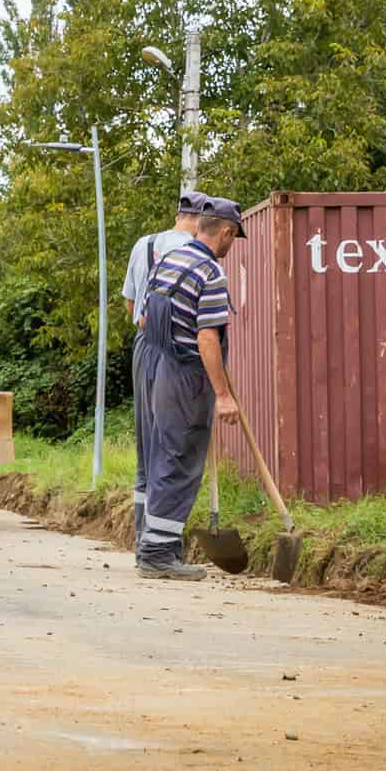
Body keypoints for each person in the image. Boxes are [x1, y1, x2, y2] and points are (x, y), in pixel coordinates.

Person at [135, 198, 245, 579]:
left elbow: (146, 318)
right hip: (189, 377)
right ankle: (158, 555)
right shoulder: (210, 272)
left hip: (161, 367)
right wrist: (223, 394)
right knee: (180, 462)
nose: (232, 246)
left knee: (164, 456)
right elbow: (207, 339)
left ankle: (153, 546)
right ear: (226, 232)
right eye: (234, 238)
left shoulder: (167, 261)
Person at [120, 191, 204, 543]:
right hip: (179, 353)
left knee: (147, 445)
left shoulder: (146, 244)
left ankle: (143, 537)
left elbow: (129, 304)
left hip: (144, 346)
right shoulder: (198, 255)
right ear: (202, 222)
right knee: (174, 446)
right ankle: (161, 543)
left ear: (177, 215)